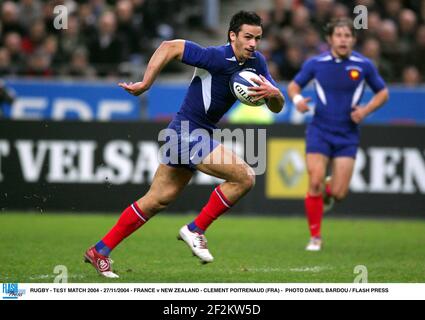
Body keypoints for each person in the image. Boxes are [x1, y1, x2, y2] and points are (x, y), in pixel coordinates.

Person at [84, 11, 285, 278]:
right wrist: (146, 83)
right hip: (186, 132)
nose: (253, 44)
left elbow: (276, 107)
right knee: (245, 177)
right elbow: (169, 47)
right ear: (233, 35)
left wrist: (276, 94)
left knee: (157, 199)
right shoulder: (215, 56)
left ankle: (100, 250)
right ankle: (195, 229)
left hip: (189, 133)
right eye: (248, 37)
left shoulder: (257, 63)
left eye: (257, 38)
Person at [287, 18, 389, 252]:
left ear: (353, 39)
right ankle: (315, 238)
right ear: (330, 39)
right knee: (314, 182)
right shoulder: (316, 63)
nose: (343, 39)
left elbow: (383, 93)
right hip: (319, 129)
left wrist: (365, 110)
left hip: (347, 134)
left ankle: (328, 190)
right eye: (339, 35)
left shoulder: (364, 65)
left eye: (347, 35)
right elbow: (294, 86)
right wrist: (298, 100)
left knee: (340, 194)